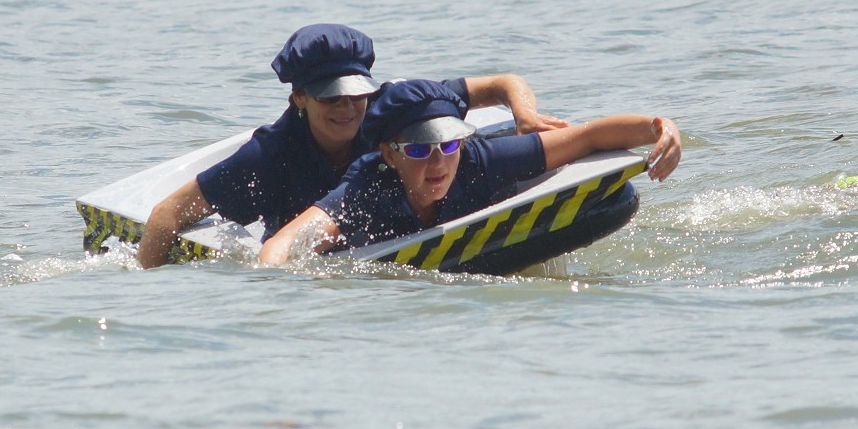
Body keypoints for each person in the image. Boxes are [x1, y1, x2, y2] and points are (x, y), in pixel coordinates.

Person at [137, 24, 569, 269]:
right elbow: (168, 214)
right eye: (331, 98)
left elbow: (502, 82)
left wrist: (525, 115)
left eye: (355, 94)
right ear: (299, 98)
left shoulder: (394, 112)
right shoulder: (267, 156)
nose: (348, 109)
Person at [257, 79, 682, 265]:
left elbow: (589, 137)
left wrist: (661, 128)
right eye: (420, 150)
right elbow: (280, 246)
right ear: (389, 154)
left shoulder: (478, 159)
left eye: (449, 145)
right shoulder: (365, 189)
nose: (439, 162)